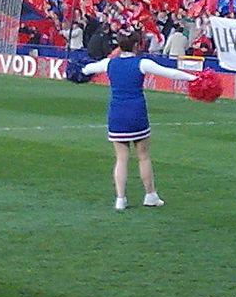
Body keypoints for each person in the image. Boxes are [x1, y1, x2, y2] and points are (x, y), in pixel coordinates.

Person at [80, 29, 195, 211]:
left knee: (121, 158)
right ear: (136, 45)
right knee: (143, 156)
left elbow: (85, 69)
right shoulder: (142, 63)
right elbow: (170, 73)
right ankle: (150, 195)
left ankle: (120, 199)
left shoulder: (109, 63)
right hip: (136, 113)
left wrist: (75, 70)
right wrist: (195, 78)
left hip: (116, 113)